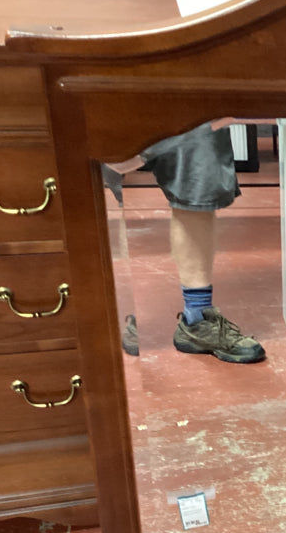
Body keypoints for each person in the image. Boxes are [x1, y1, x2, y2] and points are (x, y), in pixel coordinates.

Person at [113, 122, 266, 364]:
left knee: (198, 188)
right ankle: (95, 316)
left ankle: (197, 318)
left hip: (186, 94)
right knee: (79, 184)